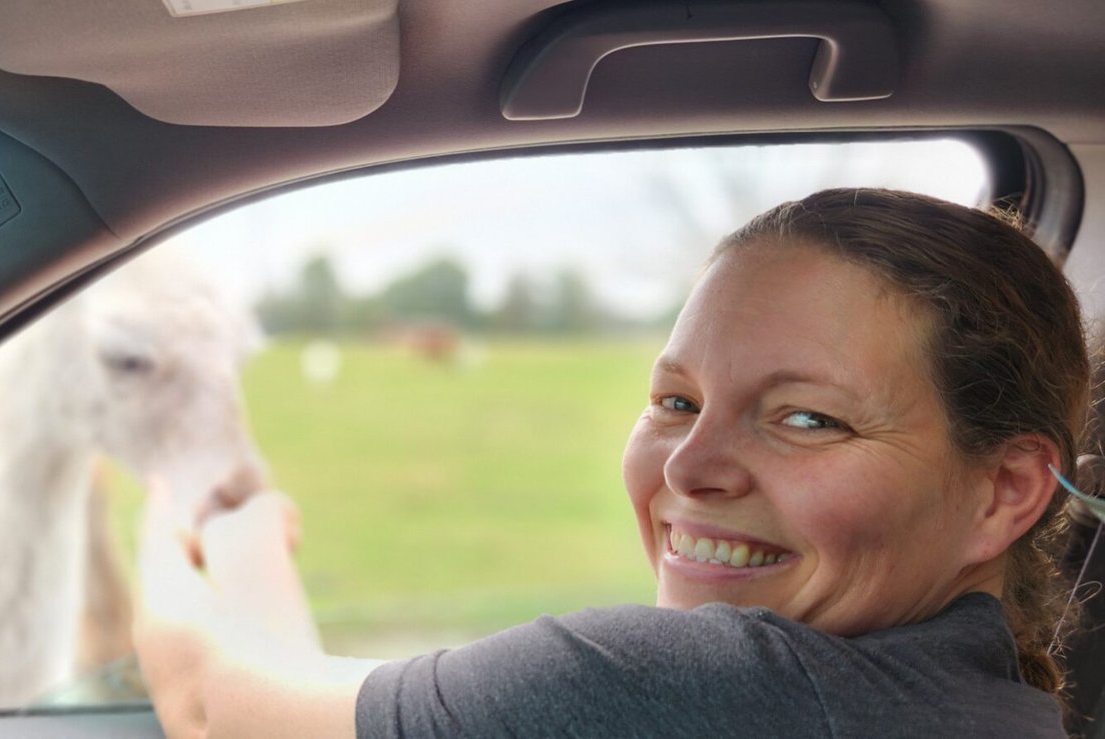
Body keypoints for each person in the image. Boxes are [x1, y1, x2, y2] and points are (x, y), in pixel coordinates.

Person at [133, 188, 1086, 737]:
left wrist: (180, 499)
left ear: (1004, 492)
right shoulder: (995, 706)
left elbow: (211, 702)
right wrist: (253, 537)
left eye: (806, 418)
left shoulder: (703, 685)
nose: (690, 466)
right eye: (675, 402)